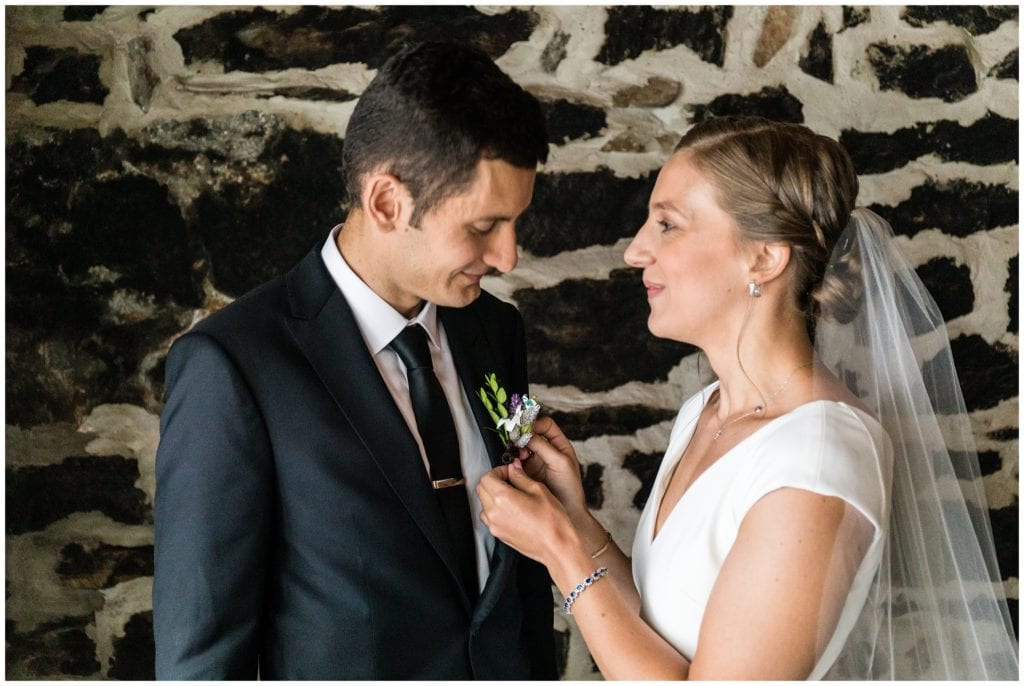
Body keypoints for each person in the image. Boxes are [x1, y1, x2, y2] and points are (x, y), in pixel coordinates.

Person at [477, 116, 1019, 679]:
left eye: (667, 225)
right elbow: (656, 627)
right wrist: (574, 519)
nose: (636, 251)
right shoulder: (705, 410)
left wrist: (561, 551)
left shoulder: (817, 458)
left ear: (764, 257)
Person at [153, 42, 556, 679]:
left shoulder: (494, 329)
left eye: (515, 224)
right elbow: (202, 654)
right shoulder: (234, 367)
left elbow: (517, 575)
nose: (508, 257)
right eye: (483, 227)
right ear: (388, 202)